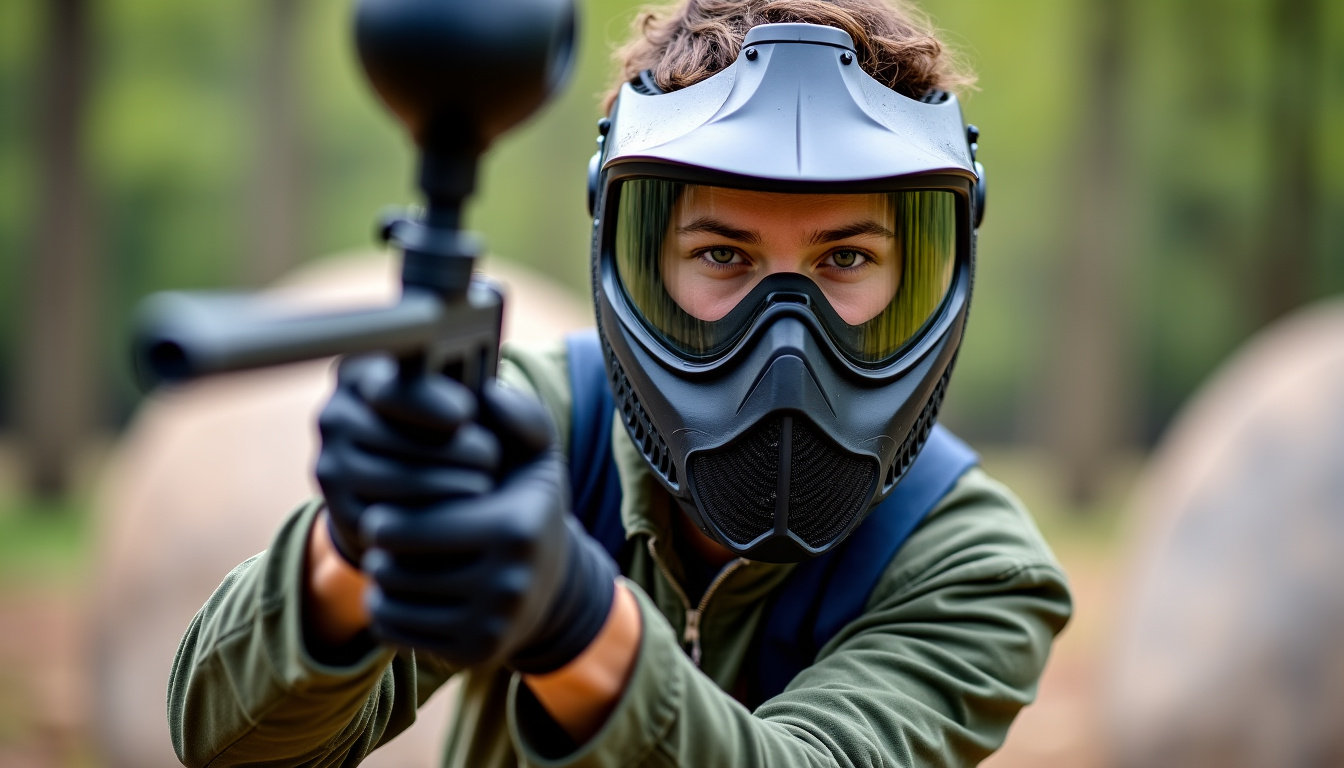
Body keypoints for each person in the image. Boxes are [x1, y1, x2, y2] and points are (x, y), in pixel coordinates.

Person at [168, 1, 1072, 766]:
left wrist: (576, 623)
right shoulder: (532, 433)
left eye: (845, 258)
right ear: (635, 261)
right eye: (722, 254)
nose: (787, 337)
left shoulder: (975, 570)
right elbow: (230, 745)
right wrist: (350, 551)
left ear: (921, 276)